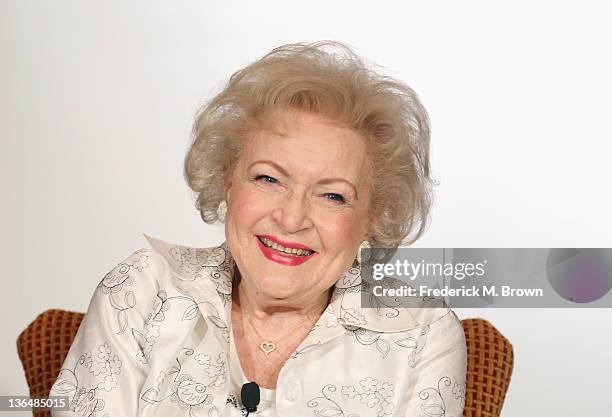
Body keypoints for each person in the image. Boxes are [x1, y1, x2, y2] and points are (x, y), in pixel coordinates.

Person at [51, 41, 467, 417]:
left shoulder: (422, 334)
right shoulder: (140, 291)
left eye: (333, 196)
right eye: (269, 179)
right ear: (227, 180)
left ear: (372, 218)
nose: (290, 218)